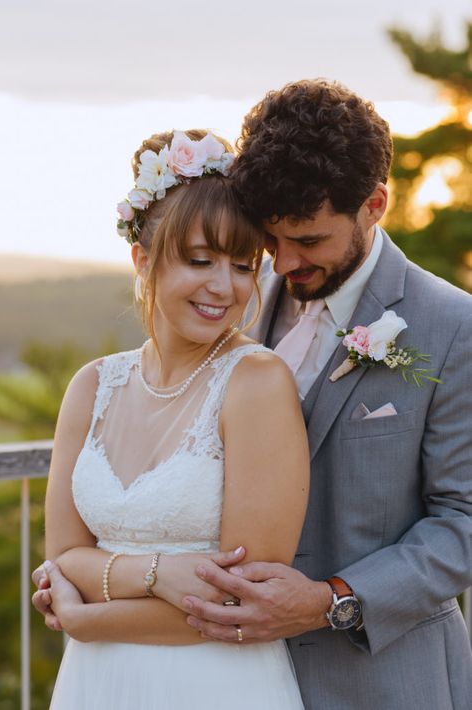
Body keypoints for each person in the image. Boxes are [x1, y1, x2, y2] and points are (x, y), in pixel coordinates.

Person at [174, 81, 472, 709]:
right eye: (270, 238)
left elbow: (463, 523)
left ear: (374, 204)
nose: (281, 263)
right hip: (236, 679)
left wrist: (327, 600)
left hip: (386, 682)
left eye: (308, 240)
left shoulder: (453, 327)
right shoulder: (233, 301)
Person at [31, 128, 309, 709]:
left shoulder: (256, 382)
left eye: (242, 264)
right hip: (94, 685)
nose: (224, 287)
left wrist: (88, 621)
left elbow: (240, 601)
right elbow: (63, 558)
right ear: (142, 258)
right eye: (201, 260)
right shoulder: (92, 386)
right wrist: (159, 572)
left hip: (217, 683)